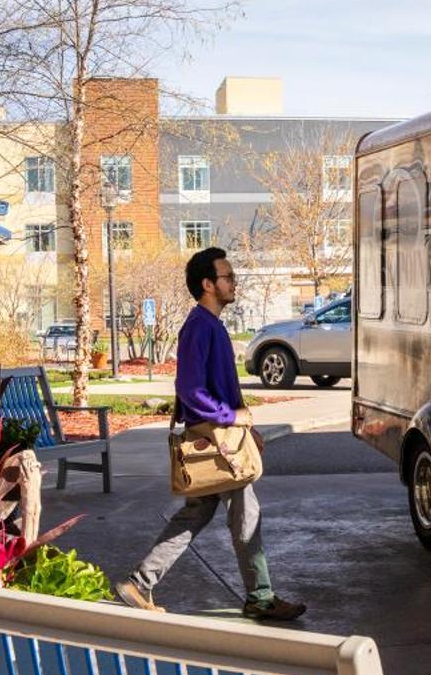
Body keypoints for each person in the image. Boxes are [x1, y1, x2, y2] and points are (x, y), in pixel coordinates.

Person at [115, 247, 306, 621]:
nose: (234, 282)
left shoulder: (211, 326)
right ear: (208, 284)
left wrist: (246, 428)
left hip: (225, 438)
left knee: (195, 515)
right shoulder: (199, 327)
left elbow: (218, 390)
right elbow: (191, 391)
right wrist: (231, 418)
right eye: (228, 276)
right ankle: (261, 597)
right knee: (246, 516)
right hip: (216, 440)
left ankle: (139, 584)